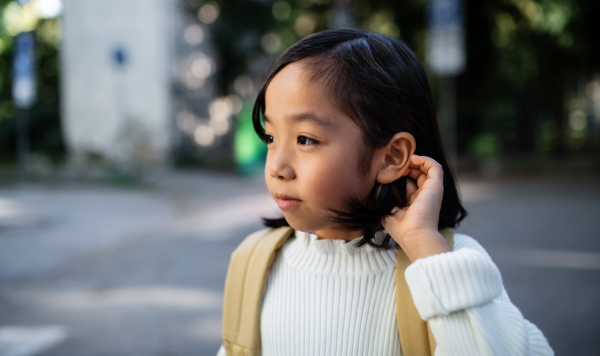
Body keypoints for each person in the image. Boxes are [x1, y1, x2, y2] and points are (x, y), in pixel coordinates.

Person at [217, 29, 553, 355]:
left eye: (306, 139)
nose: (277, 166)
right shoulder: (254, 264)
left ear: (392, 157)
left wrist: (425, 247)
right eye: (272, 138)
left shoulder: (446, 264)